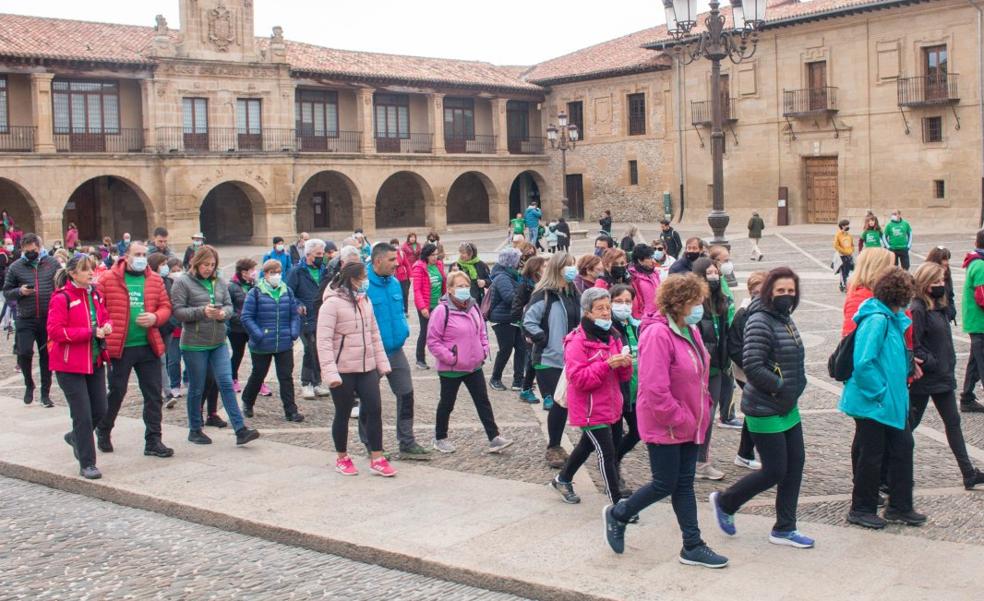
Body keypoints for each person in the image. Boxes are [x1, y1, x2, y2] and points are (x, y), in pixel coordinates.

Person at [603, 273, 728, 568]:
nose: (700, 307)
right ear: (680, 303)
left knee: (682, 484)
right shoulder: (658, 334)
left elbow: (697, 374)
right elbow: (654, 387)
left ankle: (692, 545)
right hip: (667, 423)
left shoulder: (690, 329)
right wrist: (680, 416)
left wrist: (703, 407)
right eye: (695, 302)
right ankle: (619, 514)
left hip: (688, 422)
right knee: (664, 483)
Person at [710, 267, 812, 548]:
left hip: (787, 406)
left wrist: (794, 387)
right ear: (769, 291)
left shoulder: (785, 318)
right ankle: (726, 501)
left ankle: (785, 528)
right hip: (764, 405)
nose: (786, 296)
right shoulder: (759, 320)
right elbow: (752, 365)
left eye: (791, 291)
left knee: (795, 465)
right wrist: (779, 386)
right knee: (775, 470)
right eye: (780, 291)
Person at [840, 267, 926, 529]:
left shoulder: (891, 319)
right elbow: (864, 362)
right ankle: (861, 508)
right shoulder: (877, 319)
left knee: (902, 448)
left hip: (890, 402)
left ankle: (900, 506)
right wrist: (879, 393)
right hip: (874, 402)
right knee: (872, 455)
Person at [550, 287, 632, 504]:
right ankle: (617, 504)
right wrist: (606, 365)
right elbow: (578, 379)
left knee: (587, 445)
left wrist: (625, 364)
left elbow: (622, 376)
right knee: (607, 455)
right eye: (599, 309)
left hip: (612, 405)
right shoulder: (576, 341)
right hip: (590, 409)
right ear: (587, 312)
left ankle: (562, 478)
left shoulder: (612, 335)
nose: (606, 313)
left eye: (607, 307)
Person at [171, 245, 260, 446]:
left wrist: (223, 314)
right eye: (205, 264)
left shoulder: (219, 282)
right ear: (196, 262)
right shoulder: (183, 282)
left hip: (218, 340)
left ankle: (240, 429)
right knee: (197, 387)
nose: (209, 268)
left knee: (226, 382)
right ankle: (195, 428)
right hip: (194, 343)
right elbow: (178, 311)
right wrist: (202, 311)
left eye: (212, 265)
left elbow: (229, 305)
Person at [94, 240, 175, 458]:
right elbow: (97, 306)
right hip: (121, 346)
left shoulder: (155, 279)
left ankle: (153, 440)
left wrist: (156, 317)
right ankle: (104, 428)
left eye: (144, 254)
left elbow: (166, 306)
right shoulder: (108, 279)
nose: (141, 258)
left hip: (148, 345)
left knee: (153, 394)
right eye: (137, 254)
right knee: (117, 391)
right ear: (125, 256)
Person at [317, 261, 396, 476]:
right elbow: (323, 342)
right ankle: (342, 456)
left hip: (366, 367)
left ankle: (377, 457)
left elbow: (374, 334)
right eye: (363, 277)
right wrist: (330, 373)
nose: (366, 281)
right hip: (343, 369)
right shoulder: (331, 304)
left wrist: (382, 364)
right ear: (353, 279)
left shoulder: (365, 300)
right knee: (342, 413)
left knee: (374, 410)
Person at [910, 262, 984, 489]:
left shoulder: (939, 306)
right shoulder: (918, 309)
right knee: (908, 426)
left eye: (942, 281)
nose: (941, 285)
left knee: (953, 423)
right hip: (926, 379)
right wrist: (932, 362)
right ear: (924, 283)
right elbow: (915, 344)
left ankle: (968, 472)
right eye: (936, 282)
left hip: (942, 378)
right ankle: (890, 471)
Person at [428, 270, 513, 454]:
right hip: (451, 368)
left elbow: (481, 330)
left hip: (474, 365)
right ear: (449, 289)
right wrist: (451, 357)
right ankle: (440, 437)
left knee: (483, 401)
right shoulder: (441, 311)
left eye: (466, 286)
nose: (464, 289)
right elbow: (433, 341)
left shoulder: (473, 307)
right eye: (459, 286)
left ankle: (494, 437)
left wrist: (483, 350)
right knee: (447, 403)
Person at [48, 255, 113, 479]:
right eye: (85, 270)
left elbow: (105, 317)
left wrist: (107, 326)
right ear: (73, 273)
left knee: (101, 409)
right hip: (70, 365)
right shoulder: (62, 298)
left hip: (94, 361)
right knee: (83, 415)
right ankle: (87, 462)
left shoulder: (95, 294)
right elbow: (55, 331)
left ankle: (76, 437)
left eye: (91, 269)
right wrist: (89, 332)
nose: (90, 273)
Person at [366, 242, 430, 459]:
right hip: (372, 353)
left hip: (395, 350)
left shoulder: (394, 283)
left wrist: (403, 330)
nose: (398, 263)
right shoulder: (363, 286)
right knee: (370, 400)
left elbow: (401, 310)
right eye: (392, 260)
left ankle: (407, 442)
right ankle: (372, 445)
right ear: (378, 261)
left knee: (406, 393)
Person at [523, 252, 581, 468]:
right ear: (558, 268)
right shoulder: (544, 294)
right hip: (549, 358)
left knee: (566, 403)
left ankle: (559, 445)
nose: (572, 269)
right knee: (559, 403)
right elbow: (528, 322)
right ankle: (553, 447)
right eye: (568, 265)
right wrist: (544, 339)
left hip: (572, 358)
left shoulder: (574, 292)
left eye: (573, 265)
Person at [240, 259, 303, 422]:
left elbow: (293, 315)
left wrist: (293, 331)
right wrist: (258, 334)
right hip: (262, 343)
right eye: (272, 272)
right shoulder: (255, 292)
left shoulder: (286, 291)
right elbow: (247, 317)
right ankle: (247, 401)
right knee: (258, 374)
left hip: (283, 341)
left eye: (278, 272)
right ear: (265, 274)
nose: (276, 275)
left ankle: (291, 410)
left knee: (286, 377)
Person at [691, 258, 736, 482]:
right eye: (708, 272)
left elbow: (726, 333)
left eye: (715, 272)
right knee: (697, 415)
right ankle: (690, 459)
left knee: (709, 415)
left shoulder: (722, 301)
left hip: (718, 366)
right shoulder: (693, 305)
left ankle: (701, 461)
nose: (713, 276)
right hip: (698, 370)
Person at [3, 233, 59, 406]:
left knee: (46, 356)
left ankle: (45, 394)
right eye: (27, 251)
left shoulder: (52, 263)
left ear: (40, 248)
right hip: (25, 318)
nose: (31, 254)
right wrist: (20, 291)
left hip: (47, 318)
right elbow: (7, 291)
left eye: (34, 250)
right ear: (22, 250)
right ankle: (29, 384)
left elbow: (61, 285)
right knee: (24, 352)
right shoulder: (15, 267)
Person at [727, 271, 767, 471]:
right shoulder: (744, 313)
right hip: (747, 372)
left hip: (760, 370)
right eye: (756, 292)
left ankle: (747, 452)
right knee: (755, 409)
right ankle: (745, 453)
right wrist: (753, 367)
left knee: (757, 409)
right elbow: (734, 346)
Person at [287, 238, 331, 400]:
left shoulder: (324, 270)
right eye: (318, 254)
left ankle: (317, 382)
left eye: (322, 253)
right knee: (309, 349)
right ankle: (307, 383)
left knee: (319, 350)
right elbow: (288, 292)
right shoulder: (296, 271)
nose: (321, 256)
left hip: (322, 316)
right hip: (304, 317)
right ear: (308, 254)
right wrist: (297, 304)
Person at [610, 284, 642, 493]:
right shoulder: (609, 328)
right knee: (610, 438)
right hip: (615, 391)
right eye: (619, 302)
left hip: (635, 389)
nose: (624, 306)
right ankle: (614, 477)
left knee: (638, 431)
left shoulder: (636, 326)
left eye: (628, 302)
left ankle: (614, 461)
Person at [488, 248, 525, 391]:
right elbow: (510, 298)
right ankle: (495, 378)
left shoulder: (513, 275)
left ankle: (518, 381)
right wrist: (524, 296)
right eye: (517, 260)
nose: (519, 263)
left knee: (521, 349)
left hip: (513, 317)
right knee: (506, 349)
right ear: (511, 262)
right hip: (502, 318)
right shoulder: (502, 277)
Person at [512, 255, 548, 404]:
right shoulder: (525, 285)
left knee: (536, 360)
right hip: (530, 327)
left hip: (540, 325)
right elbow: (517, 307)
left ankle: (528, 389)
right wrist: (525, 326)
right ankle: (542, 393)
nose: (546, 268)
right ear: (536, 269)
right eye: (543, 266)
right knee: (536, 360)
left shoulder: (542, 283)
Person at [842, 247, 895, 337]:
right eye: (890, 266)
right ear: (878, 269)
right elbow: (850, 338)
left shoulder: (885, 293)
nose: (894, 271)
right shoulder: (859, 299)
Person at [227, 258, 260, 394]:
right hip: (237, 328)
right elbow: (229, 308)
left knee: (257, 356)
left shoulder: (255, 285)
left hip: (252, 327)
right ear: (243, 272)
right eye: (252, 270)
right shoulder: (231, 286)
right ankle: (232, 379)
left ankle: (259, 381)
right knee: (237, 354)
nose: (254, 272)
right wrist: (242, 319)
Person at [411, 243, 445, 370]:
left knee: (442, 331)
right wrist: (423, 308)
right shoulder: (419, 267)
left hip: (439, 305)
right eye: (432, 255)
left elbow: (444, 283)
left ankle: (443, 358)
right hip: (426, 305)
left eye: (436, 254)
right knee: (425, 332)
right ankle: (420, 359)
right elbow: (417, 290)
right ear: (426, 255)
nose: (435, 257)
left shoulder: (439, 265)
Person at [960, 230, 984, 412]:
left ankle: (967, 397)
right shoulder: (980, 265)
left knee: (975, 361)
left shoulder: (975, 262)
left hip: (975, 321)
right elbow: (982, 296)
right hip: (979, 322)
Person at [162, 257, 185, 402]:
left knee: (189, 359)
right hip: (173, 330)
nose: (177, 273)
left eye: (179, 270)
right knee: (174, 360)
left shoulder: (186, 285)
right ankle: (174, 384)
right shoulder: (165, 287)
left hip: (187, 329)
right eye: (173, 271)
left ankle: (187, 380)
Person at [629, 244, 661, 320]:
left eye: (652, 257)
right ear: (640, 260)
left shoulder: (654, 273)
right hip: (644, 319)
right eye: (649, 258)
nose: (653, 261)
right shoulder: (633, 277)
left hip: (658, 316)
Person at [925, 246, 956, 324]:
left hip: (945, 317)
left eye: (948, 259)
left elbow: (950, 295)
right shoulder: (927, 276)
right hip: (932, 318)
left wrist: (951, 311)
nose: (947, 262)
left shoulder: (947, 274)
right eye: (945, 259)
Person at [393, 238, 413, 316]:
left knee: (405, 294)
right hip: (393, 277)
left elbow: (407, 265)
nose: (394, 245)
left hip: (403, 277)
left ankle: (405, 311)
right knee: (396, 294)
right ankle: (397, 310)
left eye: (396, 244)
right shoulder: (389, 254)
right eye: (393, 244)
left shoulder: (401, 253)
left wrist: (411, 275)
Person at [834, 219, 855, 292]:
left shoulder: (849, 235)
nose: (848, 226)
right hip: (842, 256)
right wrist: (843, 251)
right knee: (843, 271)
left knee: (848, 271)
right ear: (842, 226)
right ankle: (845, 285)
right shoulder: (838, 235)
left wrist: (851, 250)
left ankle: (842, 284)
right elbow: (836, 245)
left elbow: (852, 244)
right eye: (846, 225)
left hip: (849, 255)